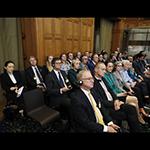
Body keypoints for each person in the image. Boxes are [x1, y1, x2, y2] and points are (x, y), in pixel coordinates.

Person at [93, 62, 143, 132]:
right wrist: (114, 103)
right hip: (107, 107)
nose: (105, 71)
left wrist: (116, 100)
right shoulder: (93, 82)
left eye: (105, 69)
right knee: (129, 112)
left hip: (113, 101)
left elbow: (111, 91)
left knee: (132, 108)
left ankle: (137, 129)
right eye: (103, 69)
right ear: (96, 69)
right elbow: (99, 101)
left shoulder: (103, 79)